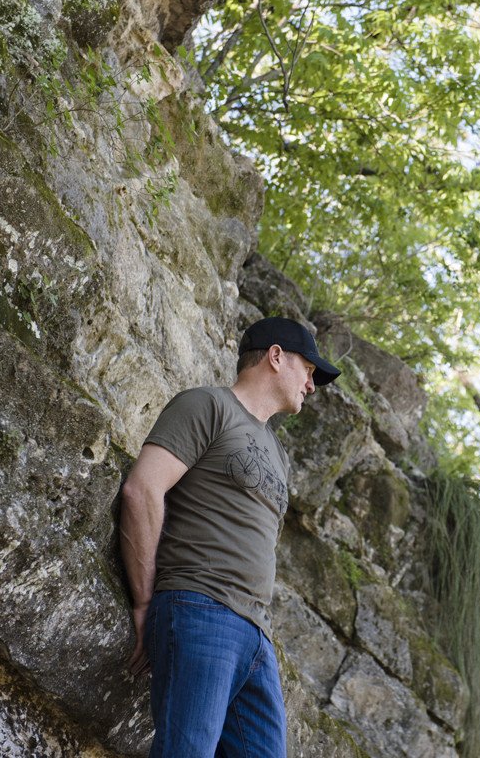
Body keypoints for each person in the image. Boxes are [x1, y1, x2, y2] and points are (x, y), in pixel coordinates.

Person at [120, 316, 340, 757]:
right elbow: (142, 489)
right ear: (276, 357)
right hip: (200, 608)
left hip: (257, 635)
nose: (312, 386)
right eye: (309, 370)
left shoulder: (278, 454)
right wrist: (144, 603)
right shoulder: (207, 405)